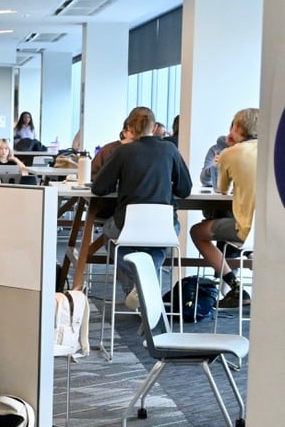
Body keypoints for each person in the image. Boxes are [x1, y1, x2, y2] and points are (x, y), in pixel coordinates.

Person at [91, 106, 192, 307]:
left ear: (129, 128)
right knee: (158, 244)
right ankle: (146, 287)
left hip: (128, 223)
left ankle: (138, 288)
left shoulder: (123, 152)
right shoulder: (170, 150)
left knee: (109, 236)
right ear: (154, 127)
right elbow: (185, 190)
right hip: (164, 225)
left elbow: (99, 188)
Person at [190, 107, 257, 308]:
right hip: (271, 227)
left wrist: (226, 158)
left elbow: (221, 189)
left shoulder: (230, 153)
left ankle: (236, 288)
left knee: (197, 232)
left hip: (245, 227)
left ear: (236, 127)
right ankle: (250, 255)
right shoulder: (272, 150)